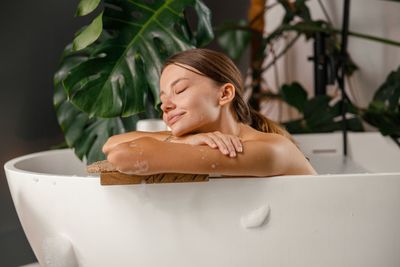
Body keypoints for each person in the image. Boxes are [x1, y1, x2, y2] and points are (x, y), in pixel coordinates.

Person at [102, 48, 317, 176]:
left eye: (180, 90)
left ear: (224, 94)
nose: (165, 105)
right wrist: (187, 141)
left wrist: (183, 142)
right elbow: (111, 144)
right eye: (163, 98)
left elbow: (123, 156)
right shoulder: (205, 139)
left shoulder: (271, 149)